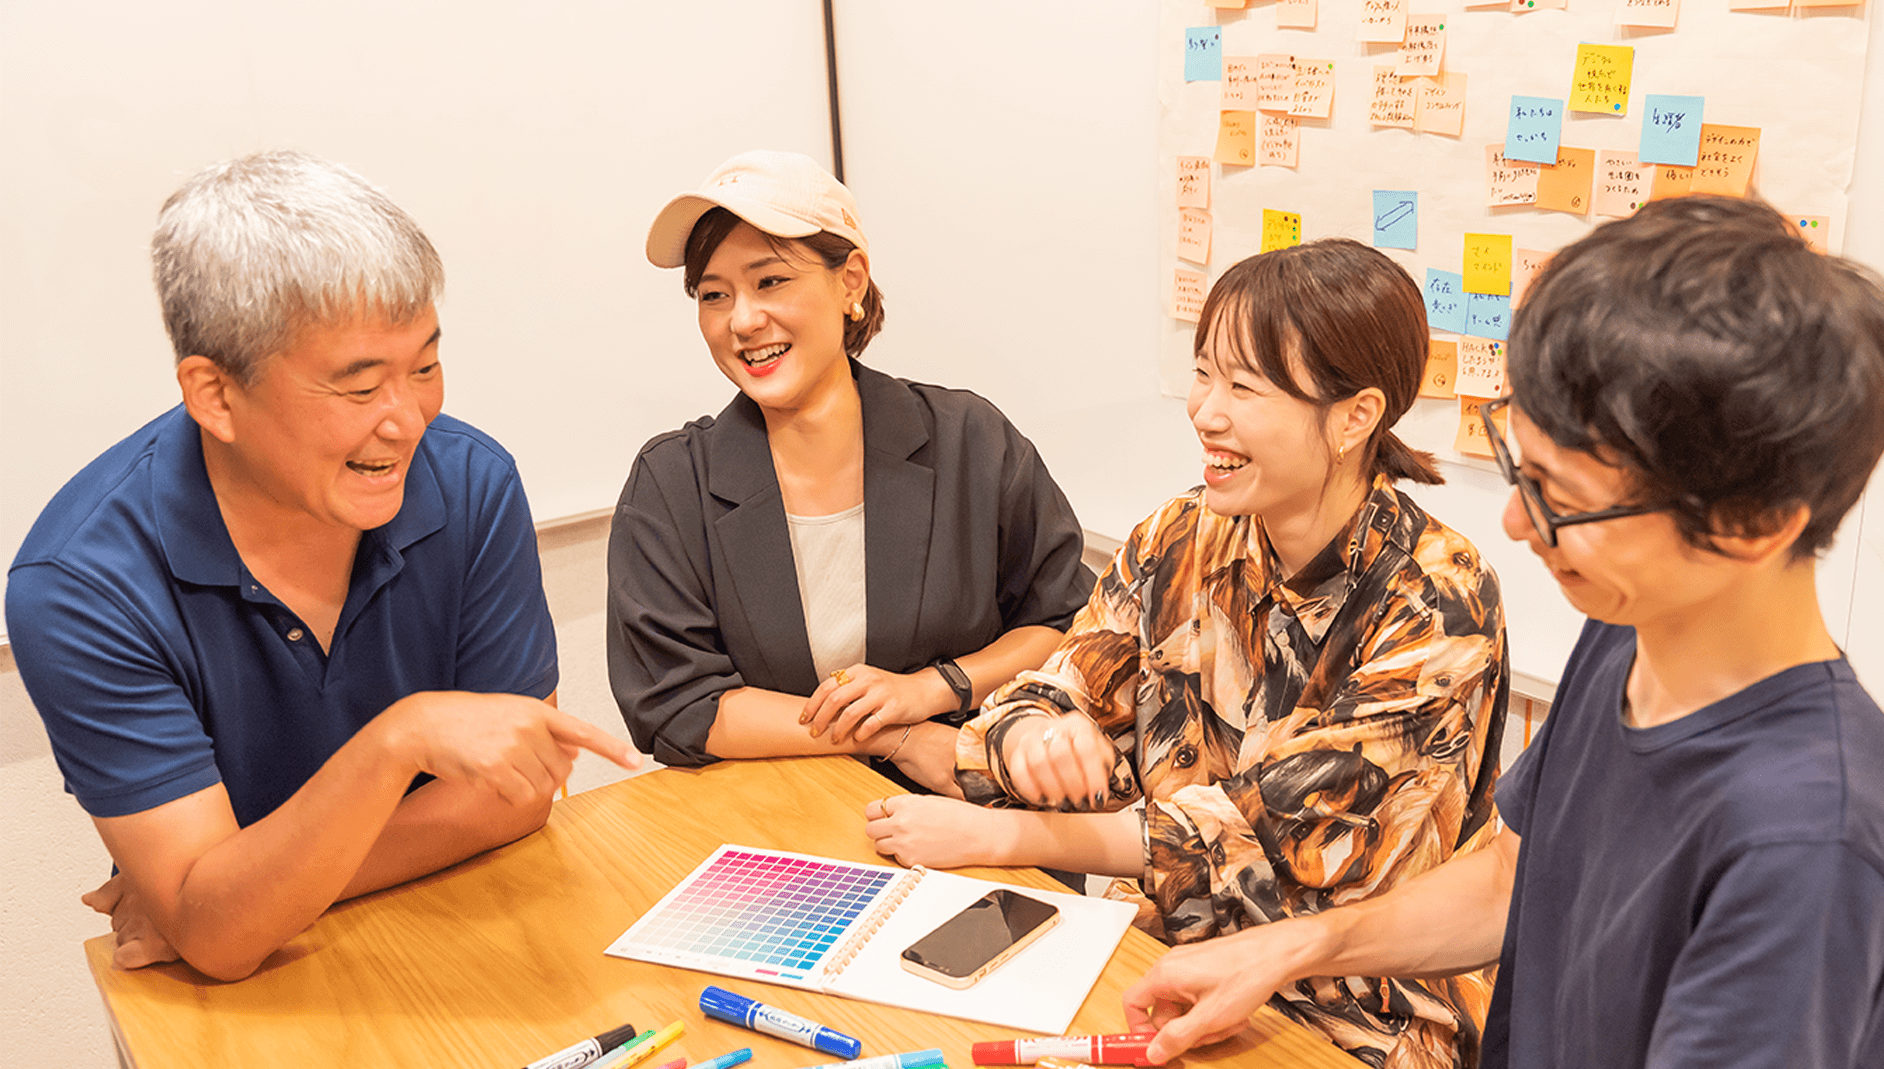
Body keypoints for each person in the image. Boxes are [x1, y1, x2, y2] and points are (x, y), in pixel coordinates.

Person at [1120, 197, 1884, 1069]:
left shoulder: (1805, 840)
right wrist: (1294, 946)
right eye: (1518, 466)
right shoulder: (1634, 630)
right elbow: (1515, 876)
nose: (1511, 521)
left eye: (1560, 496)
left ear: (1753, 522)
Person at [865, 239, 1509, 1069]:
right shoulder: (1181, 533)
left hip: (1353, 1014)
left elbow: (1278, 835)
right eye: (1203, 376)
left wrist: (1006, 836)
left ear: (1356, 416)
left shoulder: (1436, 595)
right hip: (1149, 951)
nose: (1206, 412)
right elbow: (1062, 677)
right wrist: (1037, 733)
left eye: (1245, 389)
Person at [6, 151, 639, 983]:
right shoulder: (82, 584)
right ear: (215, 395)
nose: (407, 421)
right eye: (357, 388)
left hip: (474, 938)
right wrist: (397, 745)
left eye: (424, 366)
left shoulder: (471, 482)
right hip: (262, 1002)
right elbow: (225, 949)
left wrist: (236, 893)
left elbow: (517, 795)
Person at [607, 151, 1093, 787]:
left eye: (770, 281)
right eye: (713, 295)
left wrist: (934, 689)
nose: (743, 320)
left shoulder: (970, 442)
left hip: (971, 806)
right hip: (780, 826)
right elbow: (677, 702)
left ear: (851, 282)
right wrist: (895, 736)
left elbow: (1068, 622)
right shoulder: (672, 484)